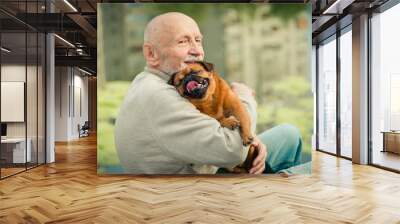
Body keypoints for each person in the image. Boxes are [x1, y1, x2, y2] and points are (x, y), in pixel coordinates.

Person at [114, 12, 303, 175]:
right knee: (305, 173)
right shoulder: (159, 96)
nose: (197, 51)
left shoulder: (150, 81)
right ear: (151, 54)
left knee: (289, 134)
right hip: (197, 195)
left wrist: (251, 137)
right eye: (183, 41)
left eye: (198, 40)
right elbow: (235, 151)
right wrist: (245, 98)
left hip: (206, 167)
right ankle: (276, 188)